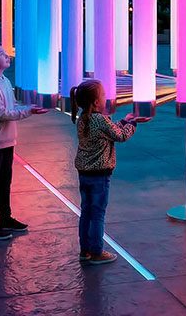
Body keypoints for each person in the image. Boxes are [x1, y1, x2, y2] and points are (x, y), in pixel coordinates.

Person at [0, 41, 49, 241]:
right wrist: (27, 112)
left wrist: (28, 106)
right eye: (2, 53)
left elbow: (11, 104)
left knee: (5, 181)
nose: (7, 56)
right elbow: (1, 112)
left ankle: (5, 218)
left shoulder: (3, 80)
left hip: (6, 139)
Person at [71, 79, 150, 265]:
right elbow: (120, 136)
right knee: (98, 214)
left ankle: (85, 250)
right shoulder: (99, 120)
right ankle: (97, 251)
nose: (106, 98)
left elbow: (110, 130)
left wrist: (125, 120)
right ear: (96, 102)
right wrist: (133, 123)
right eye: (104, 95)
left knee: (87, 212)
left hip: (85, 173)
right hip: (100, 174)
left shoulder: (84, 118)